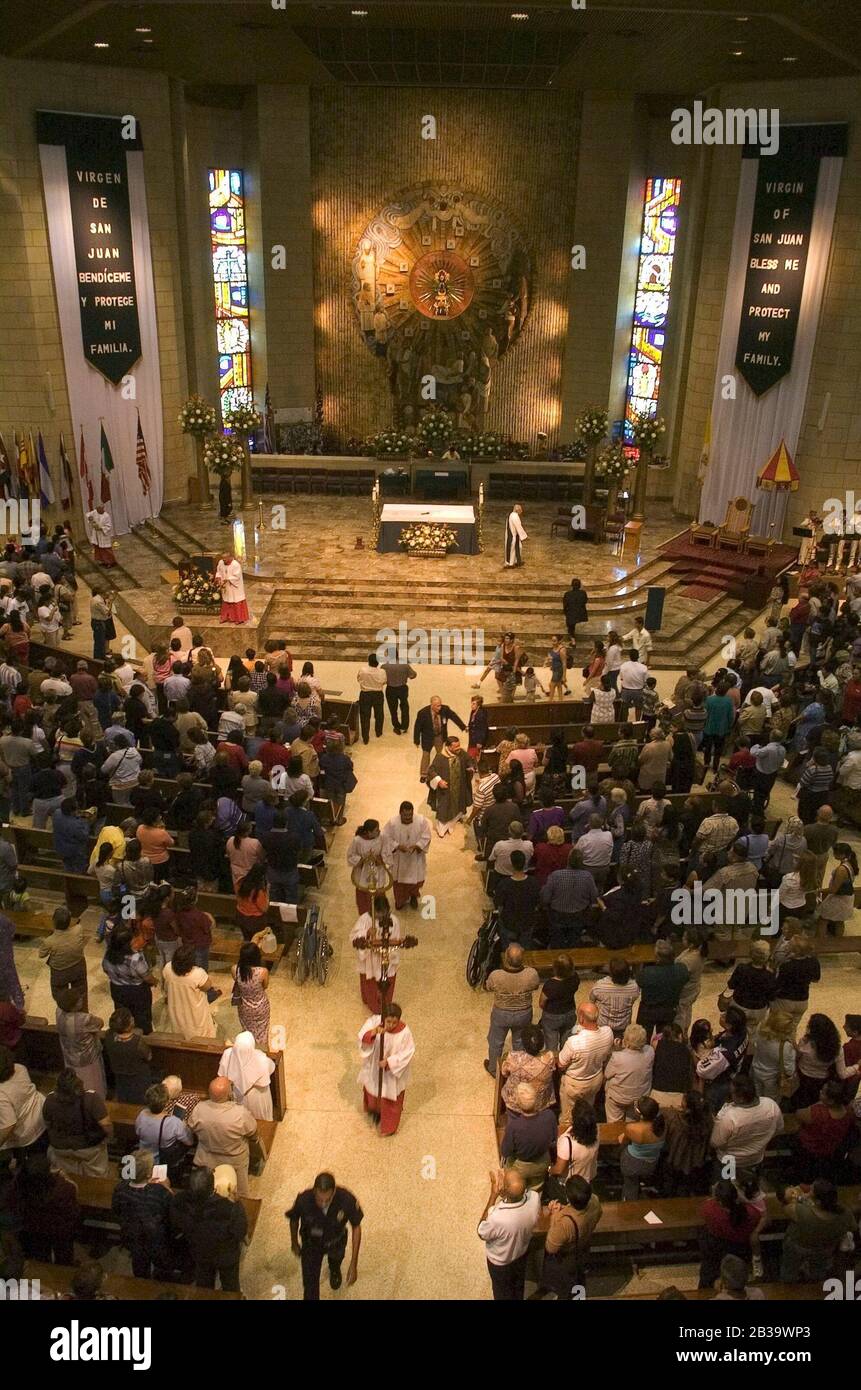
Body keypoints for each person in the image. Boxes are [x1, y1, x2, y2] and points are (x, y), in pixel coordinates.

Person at [287, 1172, 364, 1300]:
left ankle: (334, 1270)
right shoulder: (304, 1200)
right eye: (319, 1199)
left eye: (327, 1200)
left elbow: (356, 1226)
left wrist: (353, 1263)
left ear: (333, 1192)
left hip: (336, 1241)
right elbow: (293, 1220)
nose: (323, 1204)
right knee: (310, 1286)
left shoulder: (346, 1199)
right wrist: (294, 1242)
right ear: (314, 1192)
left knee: (336, 1260)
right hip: (311, 1245)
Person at [170, 1166, 248, 1292]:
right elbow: (241, 1232)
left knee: (204, 1287)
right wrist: (237, 1202)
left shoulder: (180, 1202)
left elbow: (176, 1223)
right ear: (214, 1186)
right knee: (231, 1286)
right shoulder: (231, 1208)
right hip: (226, 1256)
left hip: (199, 1252)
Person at [188, 1077, 259, 1197]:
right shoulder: (239, 1113)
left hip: (206, 1157)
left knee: (205, 1194)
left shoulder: (199, 1109)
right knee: (239, 1195)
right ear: (229, 1094)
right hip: (234, 1161)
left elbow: (191, 1127)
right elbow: (253, 1132)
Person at [110, 1147, 174, 1279]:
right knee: (161, 1264)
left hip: (132, 1235)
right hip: (155, 1238)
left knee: (139, 1263)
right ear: (148, 1174)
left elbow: (116, 1210)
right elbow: (170, 1212)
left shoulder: (121, 1188)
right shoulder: (159, 1192)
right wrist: (167, 1187)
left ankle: (141, 1283)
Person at [477, 1167, 540, 1300]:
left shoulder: (498, 1216)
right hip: (521, 1255)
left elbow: (481, 1232)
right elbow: (526, 1194)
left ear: (504, 1190)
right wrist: (506, 1193)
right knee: (518, 1287)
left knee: (502, 1292)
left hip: (500, 1263)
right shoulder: (534, 1199)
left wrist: (493, 1195)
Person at [777, 1179, 856, 1283]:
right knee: (818, 1271)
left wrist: (799, 1197)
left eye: (811, 1191)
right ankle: (815, 1284)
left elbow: (784, 1206)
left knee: (790, 1268)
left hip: (798, 1246)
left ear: (818, 1201)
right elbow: (853, 1228)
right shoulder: (846, 1213)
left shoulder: (801, 1211)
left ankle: (787, 1284)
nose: (807, 1193)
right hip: (825, 1249)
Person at [8, 1152, 79, 1266]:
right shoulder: (62, 1189)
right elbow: (74, 1191)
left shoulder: (17, 1187)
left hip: (31, 1227)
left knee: (40, 1253)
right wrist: (64, 1176)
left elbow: (13, 1206)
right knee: (63, 1253)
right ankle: (64, 1268)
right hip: (59, 1230)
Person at [541, 1174, 602, 1300]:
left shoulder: (564, 1223)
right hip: (584, 1248)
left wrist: (555, 1216)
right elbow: (596, 1214)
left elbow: (551, 1247)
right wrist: (563, 1210)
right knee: (579, 1279)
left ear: (569, 1198)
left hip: (568, 1258)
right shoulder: (594, 1201)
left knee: (566, 1288)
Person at [41, 1067, 112, 1176]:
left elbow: (47, 1123)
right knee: (96, 1174)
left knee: (67, 1176)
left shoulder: (50, 1100)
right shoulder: (91, 1098)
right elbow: (106, 1124)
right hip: (88, 1147)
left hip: (60, 1148)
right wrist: (109, 1137)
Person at [358, 1002, 415, 1136]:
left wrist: (390, 1062)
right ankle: (374, 1112)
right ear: (383, 1018)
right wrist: (373, 1032)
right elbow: (362, 1036)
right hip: (375, 1066)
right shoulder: (375, 1021)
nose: (391, 1025)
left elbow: (408, 1052)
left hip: (391, 1074)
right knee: (373, 1089)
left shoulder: (404, 1032)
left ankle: (389, 1127)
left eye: (394, 1022)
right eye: (388, 1021)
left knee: (389, 1097)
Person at [484, 944, 540, 1078]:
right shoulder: (531, 974)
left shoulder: (496, 975)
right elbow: (536, 985)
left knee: (495, 1041)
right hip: (523, 1013)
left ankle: (494, 1069)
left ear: (506, 959)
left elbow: (488, 987)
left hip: (501, 1014)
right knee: (519, 1042)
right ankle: (518, 1068)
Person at [698, 1177, 765, 1289]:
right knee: (735, 1277)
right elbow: (759, 1215)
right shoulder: (751, 1214)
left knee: (708, 1278)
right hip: (741, 1249)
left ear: (719, 1201)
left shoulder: (710, 1210)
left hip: (715, 1248)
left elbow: (704, 1211)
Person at [711, 1072, 783, 1172]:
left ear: (741, 1098)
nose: (730, 1096)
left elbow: (715, 1142)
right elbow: (779, 1129)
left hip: (730, 1162)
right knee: (749, 1182)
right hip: (756, 1158)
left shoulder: (730, 1117)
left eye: (732, 1093)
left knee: (725, 1183)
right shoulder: (771, 1105)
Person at [557, 1003, 614, 1124]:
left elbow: (561, 1064)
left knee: (568, 1117)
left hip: (575, 1084)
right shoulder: (608, 1032)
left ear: (581, 1018)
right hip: (595, 1080)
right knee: (587, 1111)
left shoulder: (574, 1042)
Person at [795, 1079, 855, 1183]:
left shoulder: (817, 1113)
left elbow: (798, 1114)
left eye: (823, 1092)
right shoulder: (848, 1111)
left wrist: (817, 1104)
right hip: (829, 1150)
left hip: (809, 1149)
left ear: (831, 1100)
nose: (820, 1092)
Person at [500, 1082, 557, 1191]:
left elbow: (506, 1151)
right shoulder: (550, 1116)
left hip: (521, 1167)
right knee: (537, 1188)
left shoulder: (514, 1126)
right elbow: (554, 1139)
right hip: (542, 1163)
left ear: (518, 1103)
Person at [795, 1012, 859, 1109]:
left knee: (802, 1099)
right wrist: (856, 1066)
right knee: (818, 1102)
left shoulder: (805, 1043)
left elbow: (796, 1058)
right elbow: (843, 1074)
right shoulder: (837, 1049)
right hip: (821, 1080)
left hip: (803, 1076)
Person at [351, 896, 401, 1013]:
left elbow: (396, 939)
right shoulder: (364, 919)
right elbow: (353, 936)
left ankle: (385, 1004)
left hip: (386, 955)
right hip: (370, 957)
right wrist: (367, 933)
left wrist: (386, 947)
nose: (380, 918)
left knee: (387, 979)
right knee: (370, 983)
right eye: (378, 915)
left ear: (388, 910)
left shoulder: (393, 921)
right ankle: (372, 1004)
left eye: (383, 914)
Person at [101, 925, 155, 1034]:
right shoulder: (135, 958)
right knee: (142, 1018)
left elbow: (105, 969)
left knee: (123, 1016)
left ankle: (123, 1035)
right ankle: (144, 1038)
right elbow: (147, 977)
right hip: (137, 992)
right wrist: (155, 981)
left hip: (117, 989)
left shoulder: (109, 954)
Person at [661, 1091, 713, 1196]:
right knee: (686, 1187)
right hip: (695, 1161)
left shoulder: (675, 1119)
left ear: (686, 1105)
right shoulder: (708, 1122)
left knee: (670, 1186)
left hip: (675, 1159)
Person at [381, 801, 431, 909]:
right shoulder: (393, 823)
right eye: (405, 816)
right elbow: (385, 837)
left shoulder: (421, 821)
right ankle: (400, 899)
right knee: (399, 881)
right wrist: (397, 846)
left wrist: (417, 846)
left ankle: (413, 896)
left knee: (415, 880)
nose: (408, 818)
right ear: (400, 813)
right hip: (399, 857)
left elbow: (426, 836)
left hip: (415, 857)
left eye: (410, 815)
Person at [56, 991, 106, 1099]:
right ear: (74, 1006)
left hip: (69, 1055)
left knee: (74, 1082)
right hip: (87, 1059)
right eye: (79, 1000)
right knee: (92, 1086)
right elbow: (100, 1023)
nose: (81, 1000)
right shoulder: (84, 1019)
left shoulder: (59, 1012)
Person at [162, 944, 218, 1040]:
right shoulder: (197, 973)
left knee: (181, 1031)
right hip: (194, 1011)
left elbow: (165, 985)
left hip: (177, 1009)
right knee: (200, 1036)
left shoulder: (168, 968)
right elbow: (208, 986)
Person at [724, 938, 778, 1035]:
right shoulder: (770, 975)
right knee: (752, 1033)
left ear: (751, 953)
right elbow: (772, 996)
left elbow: (731, 985)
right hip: (758, 1010)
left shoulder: (741, 969)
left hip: (739, 1006)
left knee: (733, 1031)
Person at [0, 1047, 47, 1157]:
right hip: (42, 1114)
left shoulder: (1, 1095)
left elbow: (9, 1125)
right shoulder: (19, 1068)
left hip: (27, 1135)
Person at [219, 1030, 275, 1120]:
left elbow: (222, 1075)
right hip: (257, 1097)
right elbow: (271, 1068)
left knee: (240, 1120)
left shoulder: (227, 1054)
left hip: (237, 1095)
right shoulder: (261, 1058)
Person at [38, 906, 87, 1008]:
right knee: (81, 992)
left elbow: (41, 954)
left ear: (53, 922)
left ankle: (64, 1014)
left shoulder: (49, 941)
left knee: (61, 996)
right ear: (69, 921)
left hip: (60, 971)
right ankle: (82, 1013)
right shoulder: (78, 929)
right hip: (78, 966)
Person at [604, 1023, 655, 1122]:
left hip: (618, 1098)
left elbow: (607, 1074)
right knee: (631, 1123)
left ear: (626, 1040)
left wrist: (617, 1049)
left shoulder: (617, 1057)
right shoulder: (650, 1052)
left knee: (614, 1125)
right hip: (639, 1097)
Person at [618, 1095, 666, 1200]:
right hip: (651, 1163)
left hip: (632, 1164)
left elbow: (623, 1142)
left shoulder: (633, 1128)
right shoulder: (662, 1126)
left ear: (640, 1113)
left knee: (630, 1185)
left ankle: (629, 1204)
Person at [102, 1008, 154, 1104]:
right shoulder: (137, 1042)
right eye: (131, 1018)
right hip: (138, 1079)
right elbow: (149, 1056)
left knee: (125, 1100)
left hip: (120, 1078)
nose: (133, 1018)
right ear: (128, 1025)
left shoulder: (109, 1036)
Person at [637, 940, 689, 1035]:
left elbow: (639, 982)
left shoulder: (647, 972)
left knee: (643, 1037)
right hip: (669, 1010)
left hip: (649, 1010)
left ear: (657, 958)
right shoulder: (682, 970)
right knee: (664, 1038)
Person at [501, 1024, 555, 1113]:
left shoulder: (513, 1058)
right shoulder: (549, 1058)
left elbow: (504, 1073)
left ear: (523, 1043)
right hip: (540, 1102)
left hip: (516, 1103)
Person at [750, 1009, 797, 1103]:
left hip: (755, 1070)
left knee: (756, 1097)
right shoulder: (785, 1046)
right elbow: (789, 1069)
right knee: (770, 1102)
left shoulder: (760, 1029)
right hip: (771, 1079)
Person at [231, 941, 270, 1047]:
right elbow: (265, 986)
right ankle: (263, 1053)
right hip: (260, 1006)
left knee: (247, 1032)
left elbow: (237, 982)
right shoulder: (263, 972)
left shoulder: (235, 969)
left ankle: (248, 1049)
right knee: (262, 1032)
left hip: (244, 1006)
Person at [538, 954, 580, 1052]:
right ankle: (564, 1062)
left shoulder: (550, 984)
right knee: (566, 1042)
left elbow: (541, 1002)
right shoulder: (575, 978)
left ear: (555, 968)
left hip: (552, 1016)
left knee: (551, 1043)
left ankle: (553, 1063)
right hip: (569, 1012)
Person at [589, 958, 641, 1038]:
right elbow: (635, 998)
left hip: (604, 1026)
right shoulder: (634, 987)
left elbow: (591, 1001)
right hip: (624, 1025)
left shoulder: (600, 986)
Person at [380, 655, 416, 735]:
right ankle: (404, 726)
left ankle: (396, 726)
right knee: (404, 707)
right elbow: (413, 675)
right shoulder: (405, 665)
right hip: (402, 688)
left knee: (393, 709)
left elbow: (381, 679)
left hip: (390, 689)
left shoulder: (384, 666)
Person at [356, 652, 387, 743]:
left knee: (365, 716)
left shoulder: (362, 670)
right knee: (379, 714)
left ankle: (365, 737)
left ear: (368, 661)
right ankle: (378, 732)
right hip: (378, 694)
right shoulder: (382, 671)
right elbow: (384, 682)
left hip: (365, 694)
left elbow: (358, 679)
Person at [215, 552, 249, 623]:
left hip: (234, 587)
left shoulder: (236, 565)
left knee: (236, 601)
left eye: (225, 559)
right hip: (225, 586)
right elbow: (218, 571)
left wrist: (227, 579)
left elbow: (237, 576)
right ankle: (225, 617)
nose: (223, 560)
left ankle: (239, 619)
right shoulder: (221, 562)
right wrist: (218, 578)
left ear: (230, 557)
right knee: (226, 600)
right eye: (223, 558)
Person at [504, 502, 527, 567]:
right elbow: (518, 527)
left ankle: (517, 561)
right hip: (512, 536)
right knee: (512, 549)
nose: (521, 512)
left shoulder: (511, 514)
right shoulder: (515, 516)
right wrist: (524, 536)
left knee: (519, 547)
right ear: (518, 510)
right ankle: (510, 564)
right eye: (521, 510)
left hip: (514, 535)